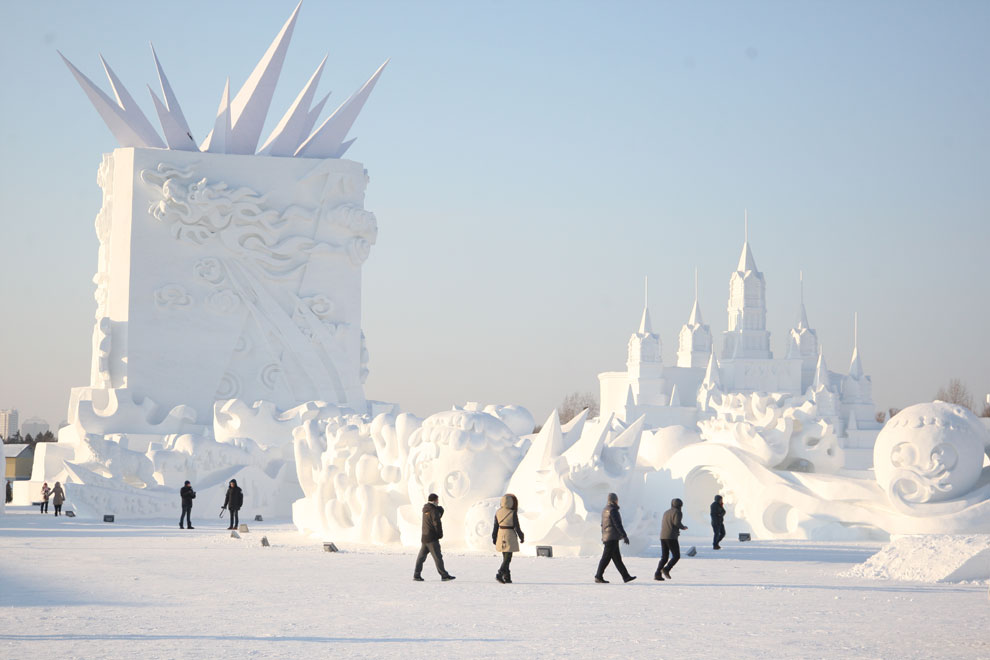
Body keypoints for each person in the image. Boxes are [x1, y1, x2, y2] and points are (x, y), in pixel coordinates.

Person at [595, 492, 636, 584]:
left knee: (617, 559)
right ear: (615, 500)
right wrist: (624, 535)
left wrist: (604, 536)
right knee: (605, 558)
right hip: (612, 538)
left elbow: (603, 524)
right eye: (617, 500)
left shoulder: (605, 509)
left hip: (608, 537)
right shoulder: (613, 510)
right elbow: (617, 524)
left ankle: (626, 576)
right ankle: (598, 576)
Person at [413, 493, 455, 582]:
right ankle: (444, 575)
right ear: (435, 500)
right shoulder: (433, 510)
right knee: (438, 557)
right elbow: (437, 522)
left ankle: (416, 575)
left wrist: (438, 509)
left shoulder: (426, 509)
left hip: (424, 537)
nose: (438, 501)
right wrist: (440, 534)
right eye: (437, 500)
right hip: (432, 538)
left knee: (421, 558)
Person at [492, 493, 524, 583]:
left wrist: (494, 537)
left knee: (505, 557)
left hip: (500, 534)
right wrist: (521, 536)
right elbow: (517, 527)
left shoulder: (498, 512)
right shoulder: (512, 512)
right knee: (508, 558)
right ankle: (500, 573)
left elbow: (495, 526)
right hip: (509, 535)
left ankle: (507, 577)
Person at [656, 498, 688, 581]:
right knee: (676, 556)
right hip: (671, 537)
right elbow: (676, 523)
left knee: (664, 557)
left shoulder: (666, 512)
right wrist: (683, 527)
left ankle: (657, 574)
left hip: (663, 536)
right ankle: (666, 569)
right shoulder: (678, 512)